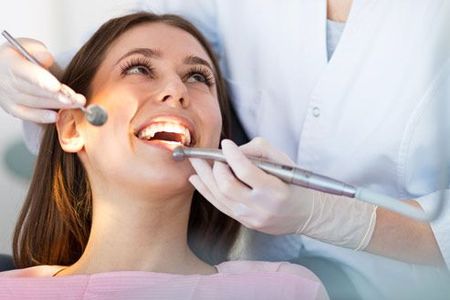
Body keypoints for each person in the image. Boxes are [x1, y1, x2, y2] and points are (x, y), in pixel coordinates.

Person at [0, 0, 449, 298]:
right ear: (73, 125)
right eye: (140, 69)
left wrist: (331, 216)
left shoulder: (286, 291)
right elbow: (156, 32)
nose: (176, 90)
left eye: (199, 78)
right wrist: (41, 74)